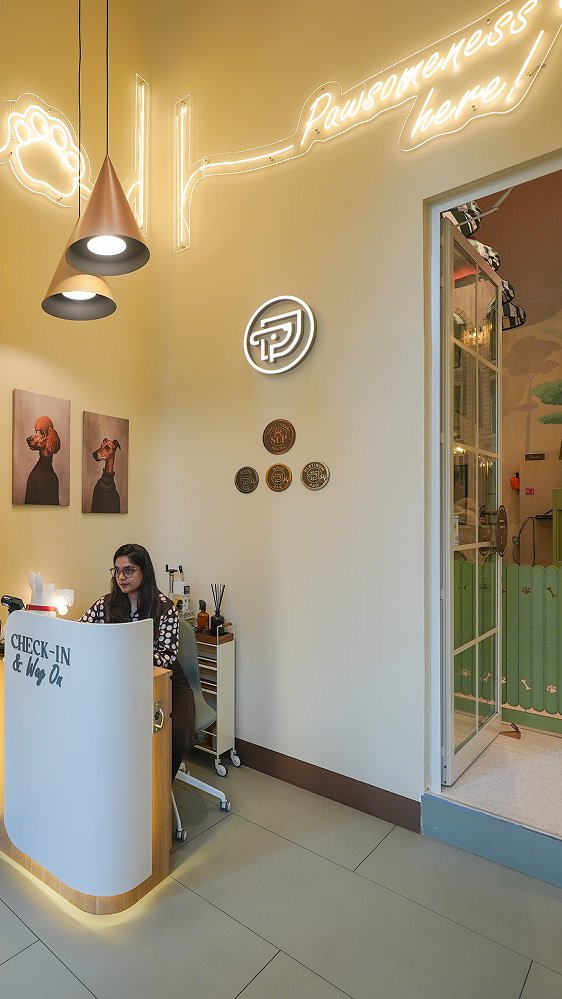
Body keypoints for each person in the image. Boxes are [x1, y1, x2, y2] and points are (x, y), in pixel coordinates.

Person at [79, 542, 195, 781]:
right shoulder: (106, 604)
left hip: (167, 680)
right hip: (121, 682)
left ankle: (159, 793)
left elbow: (166, 656)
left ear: (145, 571)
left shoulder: (164, 608)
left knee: (179, 733)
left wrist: (122, 652)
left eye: (129, 570)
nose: (121, 577)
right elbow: (81, 631)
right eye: (117, 571)